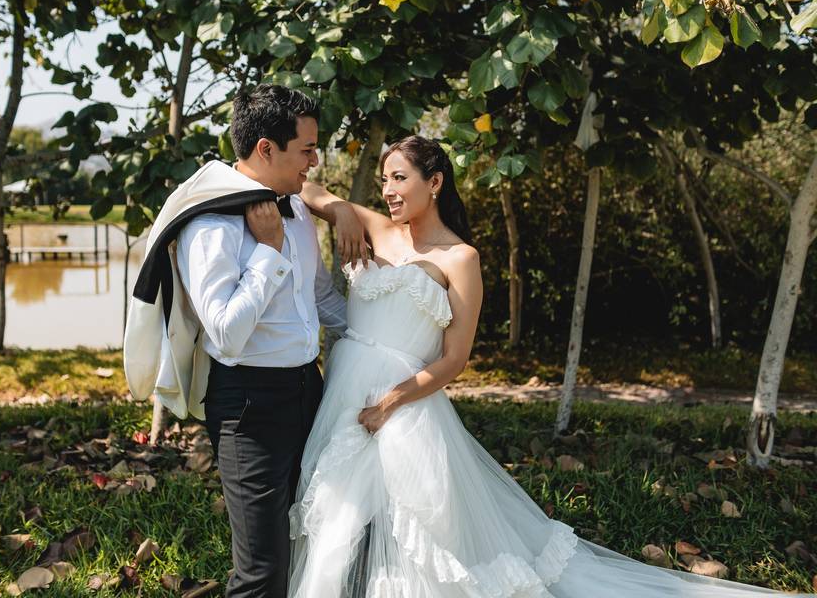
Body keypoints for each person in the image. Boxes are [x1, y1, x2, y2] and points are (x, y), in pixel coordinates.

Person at [289, 135, 807, 597]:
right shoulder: (376, 227)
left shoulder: (460, 259)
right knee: (333, 523)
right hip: (344, 392)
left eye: (400, 178)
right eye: (384, 180)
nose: (389, 191)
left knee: (418, 537)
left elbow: (456, 359)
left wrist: (390, 403)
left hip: (401, 406)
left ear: (436, 181)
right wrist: (343, 209)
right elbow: (304, 191)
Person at [172, 84, 355, 598]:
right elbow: (226, 335)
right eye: (307, 149)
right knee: (261, 569)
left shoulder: (295, 211)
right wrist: (268, 252)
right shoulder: (212, 222)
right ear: (266, 149)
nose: (316, 161)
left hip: (309, 391)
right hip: (248, 406)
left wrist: (374, 339)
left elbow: (320, 297)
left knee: (315, 539)